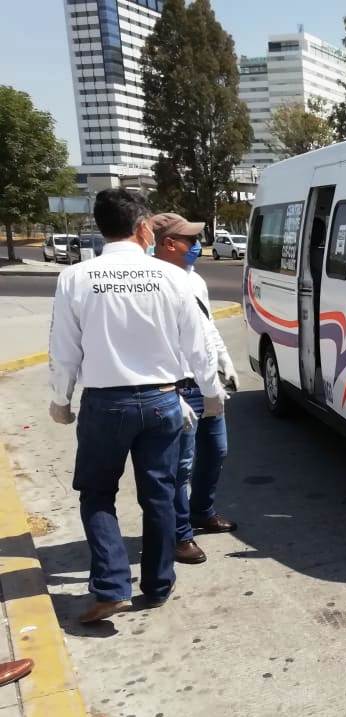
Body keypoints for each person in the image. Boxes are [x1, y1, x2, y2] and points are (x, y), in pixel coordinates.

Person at [49, 189, 223, 624]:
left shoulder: (76, 278)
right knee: (160, 495)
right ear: (144, 227)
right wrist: (212, 393)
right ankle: (158, 584)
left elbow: (63, 348)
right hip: (164, 400)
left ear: (99, 227)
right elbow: (197, 345)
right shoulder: (173, 278)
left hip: (105, 403)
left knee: (97, 493)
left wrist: (60, 398)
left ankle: (110, 588)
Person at [151, 213, 238, 565]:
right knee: (180, 467)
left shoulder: (195, 279)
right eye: (190, 240)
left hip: (205, 382)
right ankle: (180, 535)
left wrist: (223, 360)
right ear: (167, 243)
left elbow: (207, 327)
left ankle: (202, 511)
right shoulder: (155, 282)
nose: (198, 245)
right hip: (176, 387)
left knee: (216, 451)